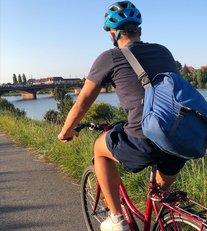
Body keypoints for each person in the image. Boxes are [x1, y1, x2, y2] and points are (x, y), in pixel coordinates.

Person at [58, 1, 187, 230]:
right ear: (140, 30)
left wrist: (66, 130)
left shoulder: (110, 57)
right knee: (158, 192)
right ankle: (161, 212)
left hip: (144, 138)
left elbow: (83, 102)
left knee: (100, 149)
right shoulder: (163, 51)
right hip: (180, 136)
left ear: (112, 33)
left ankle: (117, 219)